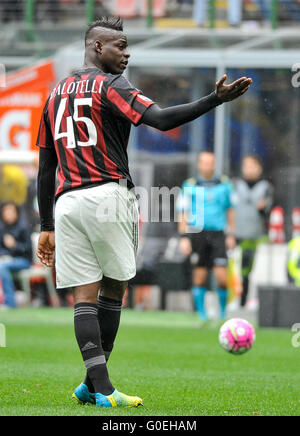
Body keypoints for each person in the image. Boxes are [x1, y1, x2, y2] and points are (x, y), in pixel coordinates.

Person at [36, 15, 252, 408]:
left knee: (84, 295)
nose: (127, 52)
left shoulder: (55, 94)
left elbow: (45, 167)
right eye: (120, 45)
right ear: (98, 47)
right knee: (114, 289)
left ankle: (92, 384)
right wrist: (214, 100)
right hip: (106, 195)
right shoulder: (110, 85)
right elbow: (160, 119)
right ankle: (102, 390)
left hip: (66, 202)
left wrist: (46, 225)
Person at [177, 151, 236, 322]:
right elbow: (183, 212)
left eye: (210, 162)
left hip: (218, 234)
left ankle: (223, 314)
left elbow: (230, 210)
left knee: (222, 277)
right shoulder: (189, 185)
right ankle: (202, 316)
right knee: (200, 276)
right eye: (204, 162)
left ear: (214, 164)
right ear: (199, 165)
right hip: (197, 234)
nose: (207, 166)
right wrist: (184, 237)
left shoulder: (225, 184)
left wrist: (231, 234)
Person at [234, 154, 273, 306]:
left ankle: (245, 302)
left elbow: (269, 212)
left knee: (247, 271)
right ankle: (232, 301)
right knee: (232, 270)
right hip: (235, 235)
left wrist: (263, 209)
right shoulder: (235, 184)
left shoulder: (266, 187)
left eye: (252, 166)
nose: (249, 169)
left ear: (259, 168)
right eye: (246, 166)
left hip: (254, 237)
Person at [0, 202, 32, 308]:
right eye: (6, 211)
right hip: (7, 260)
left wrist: (15, 245)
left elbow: (28, 249)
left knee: (2, 266)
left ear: (16, 213)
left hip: (23, 261)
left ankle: (10, 303)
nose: (8, 213)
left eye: (11, 211)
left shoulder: (23, 227)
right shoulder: (2, 228)